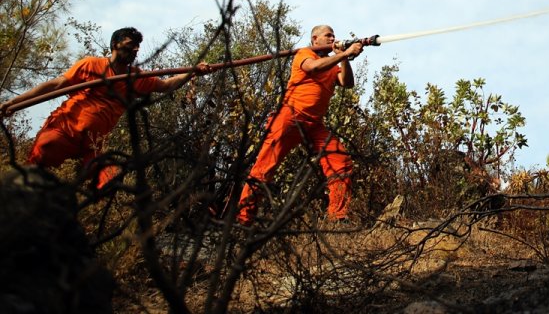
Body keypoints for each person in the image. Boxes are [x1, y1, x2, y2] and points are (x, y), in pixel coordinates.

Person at [0, 27, 210, 188]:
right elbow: (55, 85)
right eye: (129, 45)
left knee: (109, 180)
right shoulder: (91, 65)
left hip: (92, 146)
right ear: (115, 45)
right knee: (34, 170)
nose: (134, 50)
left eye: (137, 47)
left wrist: (193, 71)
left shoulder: (135, 78)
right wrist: (14, 103)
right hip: (64, 131)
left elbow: (165, 85)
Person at [237, 24, 362, 225]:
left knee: (340, 160)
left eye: (334, 35)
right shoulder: (305, 54)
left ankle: (338, 217)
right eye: (328, 35)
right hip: (290, 117)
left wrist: (345, 58)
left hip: (315, 124)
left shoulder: (332, 63)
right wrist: (344, 53)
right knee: (265, 166)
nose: (332, 38)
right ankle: (243, 219)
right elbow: (313, 67)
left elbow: (347, 83)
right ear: (315, 39)